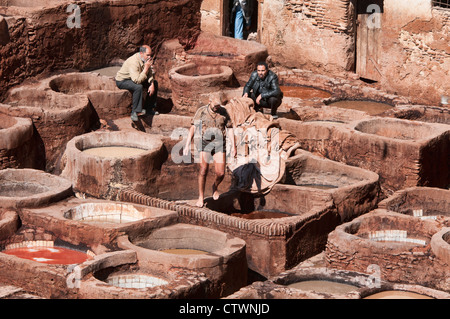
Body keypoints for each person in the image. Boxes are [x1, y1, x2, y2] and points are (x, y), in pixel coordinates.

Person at [183, 93, 236, 208]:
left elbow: (230, 128)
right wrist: (187, 144)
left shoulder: (223, 112)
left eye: (219, 105)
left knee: (221, 173)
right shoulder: (201, 111)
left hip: (219, 143)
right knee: (203, 169)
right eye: (215, 105)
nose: (217, 107)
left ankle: (215, 187)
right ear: (209, 101)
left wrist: (234, 146)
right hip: (205, 142)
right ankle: (201, 196)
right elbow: (193, 127)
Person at [115, 45, 158, 121]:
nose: (149, 57)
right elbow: (137, 80)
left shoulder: (145, 60)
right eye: (147, 55)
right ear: (141, 53)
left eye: (150, 55)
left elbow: (150, 73)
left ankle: (149, 109)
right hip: (123, 80)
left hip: (135, 78)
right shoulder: (133, 62)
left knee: (155, 83)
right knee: (138, 87)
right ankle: (135, 112)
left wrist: (151, 84)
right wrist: (145, 69)